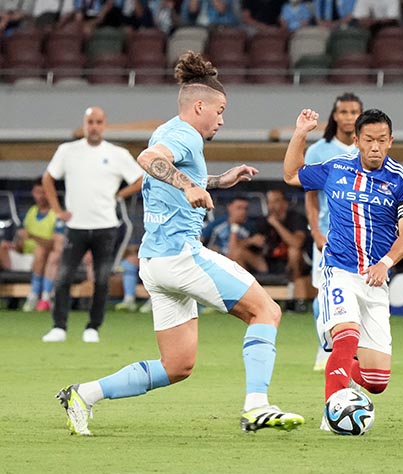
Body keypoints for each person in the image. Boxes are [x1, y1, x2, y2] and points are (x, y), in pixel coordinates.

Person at [55, 52, 304, 436]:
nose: (222, 119)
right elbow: (148, 159)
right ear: (199, 106)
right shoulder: (184, 134)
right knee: (267, 312)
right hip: (181, 256)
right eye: (220, 111)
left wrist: (218, 180)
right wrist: (190, 185)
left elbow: (168, 169)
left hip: (154, 263)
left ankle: (82, 395)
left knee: (177, 366)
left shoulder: (168, 130)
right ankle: (256, 406)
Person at [283, 107, 403, 430]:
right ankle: (332, 413)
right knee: (346, 335)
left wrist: (385, 263)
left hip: (375, 280)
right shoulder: (335, 168)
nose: (375, 147)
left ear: (391, 141)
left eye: (382, 140)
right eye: (369, 140)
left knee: (376, 381)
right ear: (356, 140)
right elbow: (291, 174)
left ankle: (345, 368)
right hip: (339, 270)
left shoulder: (402, 182)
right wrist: (301, 132)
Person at [40, 106, 144, 343]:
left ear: (104, 125)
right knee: (63, 277)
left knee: (101, 279)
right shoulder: (67, 151)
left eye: (98, 122)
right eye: (90, 122)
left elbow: (140, 179)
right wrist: (57, 210)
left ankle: (93, 327)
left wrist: (119, 195)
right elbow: (48, 178)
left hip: (106, 226)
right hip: (75, 226)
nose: (94, 126)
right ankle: (59, 326)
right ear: (84, 125)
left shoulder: (117, 153)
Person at [303, 92, 362, 371]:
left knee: (361, 294)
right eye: (344, 112)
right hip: (330, 234)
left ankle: (355, 352)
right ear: (335, 116)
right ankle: (325, 346)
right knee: (324, 293)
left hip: (363, 236)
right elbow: (311, 196)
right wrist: (315, 230)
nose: (349, 117)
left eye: (354, 112)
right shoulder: (319, 150)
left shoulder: (369, 149)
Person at [0, 178, 58, 312]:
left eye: (43, 192)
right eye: (37, 192)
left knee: (40, 251)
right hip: (24, 258)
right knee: (1, 246)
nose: (40, 196)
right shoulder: (30, 212)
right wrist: (13, 246)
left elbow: (55, 246)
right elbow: (21, 246)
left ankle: (34, 294)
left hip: (43, 260)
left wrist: (32, 236)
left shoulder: (55, 214)